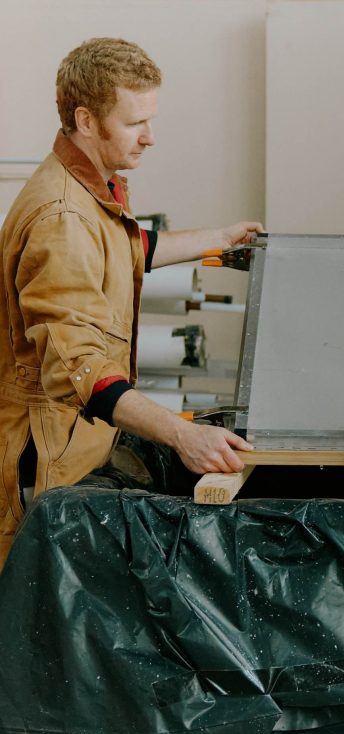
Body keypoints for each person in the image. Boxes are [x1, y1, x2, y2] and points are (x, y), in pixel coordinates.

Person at [0, 37, 262, 568]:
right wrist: (184, 436)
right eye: (134, 122)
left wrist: (220, 239)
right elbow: (79, 368)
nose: (149, 137)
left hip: (78, 446)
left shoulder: (88, 190)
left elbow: (124, 248)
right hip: (47, 463)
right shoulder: (62, 218)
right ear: (87, 120)